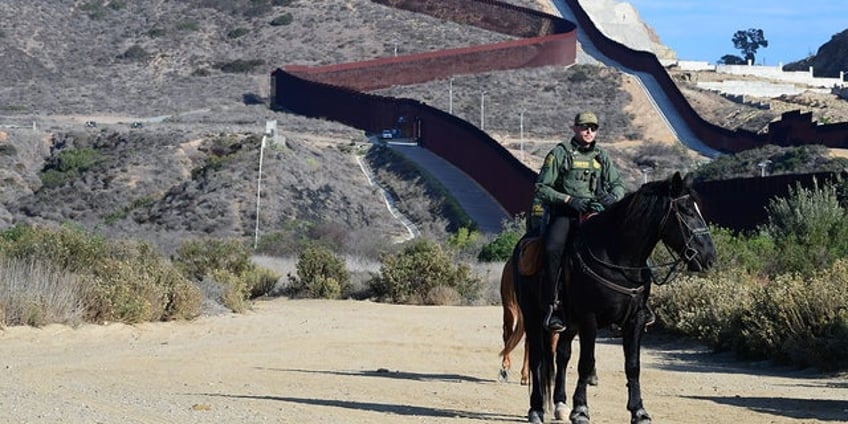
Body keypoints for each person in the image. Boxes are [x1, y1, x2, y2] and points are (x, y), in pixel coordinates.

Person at [534, 111, 625, 333]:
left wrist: (613, 197)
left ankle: (635, 305)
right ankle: (553, 307)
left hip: (595, 214)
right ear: (575, 128)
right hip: (565, 214)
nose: (589, 131)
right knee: (552, 249)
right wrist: (568, 200)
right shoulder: (560, 153)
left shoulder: (602, 156)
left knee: (627, 243)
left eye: (593, 128)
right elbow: (541, 188)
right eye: (584, 127)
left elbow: (618, 184)